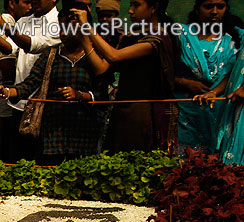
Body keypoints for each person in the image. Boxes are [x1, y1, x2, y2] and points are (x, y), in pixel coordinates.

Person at [0, 8, 108, 163]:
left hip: (84, 136)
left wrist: (80, 95)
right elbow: (30, 83)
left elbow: (103, 94)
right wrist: (7, 92)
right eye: (60, 28)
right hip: (52, 138)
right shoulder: (51, 55)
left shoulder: (96, 57)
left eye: (69, 29)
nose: (63, 34)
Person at [75, 0, 178, 152]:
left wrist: (87, 27)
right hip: (123, 110)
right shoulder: (131, 37)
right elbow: (101, 69)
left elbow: (113, 56)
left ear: (154, 7)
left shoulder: (159, 39)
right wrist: (85, 41)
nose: (130, 11)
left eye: (136, 5)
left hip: (145, 113)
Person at [0, 0, 60, 158]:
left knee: (40, 160)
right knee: (15, 158)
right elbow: (9, 48)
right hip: (18, 101)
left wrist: (8, 28)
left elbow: (33, 45)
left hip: (43, 105)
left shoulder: (60, 22)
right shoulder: (23, 21)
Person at [174, 0, 239, 152]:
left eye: (220, 7)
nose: (215, 11)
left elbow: (233, 74)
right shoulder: (181, 36)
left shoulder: (234, 40)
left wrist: (214, 92)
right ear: (197, 9)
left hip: (219, 110)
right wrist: (185, 82)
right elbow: (163, 71)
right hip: (185, 113)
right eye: (209, 6)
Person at [0, 0, 32, 160]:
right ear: (12, 3)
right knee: (0, 149)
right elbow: (7, 66)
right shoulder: (6, 23)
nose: (30, 7)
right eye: (26, 2)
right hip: (0, 96)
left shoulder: (3, 23)